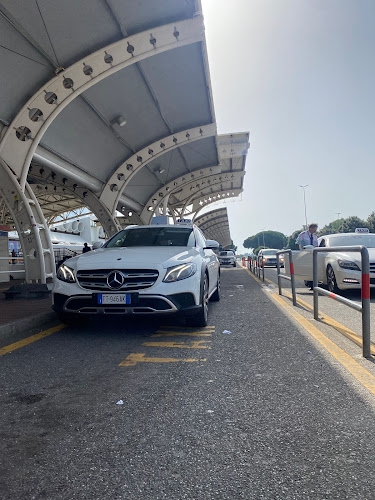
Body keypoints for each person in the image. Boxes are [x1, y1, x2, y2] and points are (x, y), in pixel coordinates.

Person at [296, 223, 319, 290]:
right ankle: (309, 283)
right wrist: (300, 252)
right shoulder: (303, 235)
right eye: (314, 229)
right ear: (310, 228)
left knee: (313, 269)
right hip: (305, 254)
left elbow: (316, 246)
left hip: (312, 254)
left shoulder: (315, 236)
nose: (315, 231)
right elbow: (297, 243)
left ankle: (313, 285)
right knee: (307, 269)